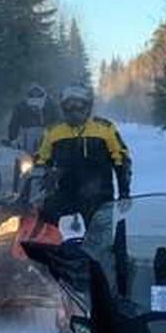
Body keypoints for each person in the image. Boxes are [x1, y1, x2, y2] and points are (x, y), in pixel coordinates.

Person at [34, 82, 132, 226]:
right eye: (69, 105)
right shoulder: (53, 132)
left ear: (88, 106)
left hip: (99, 195)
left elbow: (120, 159)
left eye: (79, 105)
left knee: (100, 237)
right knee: (43, 224)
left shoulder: (104, 128)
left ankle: (102, 247)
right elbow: (41, 160)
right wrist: (40, 183)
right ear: (62, 107)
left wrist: (124, 192)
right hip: (65, 193)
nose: (74, 110)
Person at [6, 83, 58, 150]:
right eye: (32, 95)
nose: (35, 97)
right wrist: (13, 139)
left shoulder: (52, 106)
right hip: (26, 137)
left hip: (47, 136)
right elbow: (14, 124)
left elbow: (58, 121)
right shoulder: (20, 107)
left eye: (38, 95)